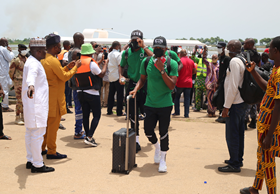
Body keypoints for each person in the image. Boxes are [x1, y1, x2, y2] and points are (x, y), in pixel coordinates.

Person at [130, 36, 178, 172]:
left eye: (160, 49)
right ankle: (157, 147)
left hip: (165, 103)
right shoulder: (146, 62)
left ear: (165, 49)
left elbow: (171, 86)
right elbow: (142, 79)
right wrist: (135, 89)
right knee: (148, 131)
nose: (157, 50)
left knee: (163, 132)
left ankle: (163, 159)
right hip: (150, 103)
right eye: (155, 48)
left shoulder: (171, 63)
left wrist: (162, 70)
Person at [240, 36, 280, 194]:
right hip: (265, 123)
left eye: (270, 48)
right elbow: (267, 89)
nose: (268, 51)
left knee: (268, 160)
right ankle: (255, 188)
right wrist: (253, 71)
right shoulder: (275, 69)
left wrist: (270, 135)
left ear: (276, 51)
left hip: (270, 125)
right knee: (262, 156)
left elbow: (278, 104)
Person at [41, 34, 81, 159]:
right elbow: (63, 77)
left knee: (46, 127)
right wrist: (75, 68)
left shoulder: (44, 59)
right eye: (58, 46)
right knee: (53, 127)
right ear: (54, 47)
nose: (60, 48)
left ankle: (42, 148)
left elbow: (57, 74)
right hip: (54, 100)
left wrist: (67, 67)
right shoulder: (52, 60)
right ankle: (52, 151)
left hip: (47, 98)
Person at [22, 38, 54, 173]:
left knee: (30, 132)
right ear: (39, 51)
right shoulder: (34, 64)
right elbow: (31, 77)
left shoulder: (30, 61)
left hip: (31, 105)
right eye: (44, 51)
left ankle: (30, 160)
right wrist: (31, 85)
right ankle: (38, 164)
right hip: (37, 105)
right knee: (37, 134)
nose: (46, 53)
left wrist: (31, 86)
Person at [119, 30, 153, 153]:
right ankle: (136, 141)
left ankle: (150, 134)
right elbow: (121, 65)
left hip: (145, 86)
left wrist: (143, 46)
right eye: (133, 40)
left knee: (148, 114)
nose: (135, 43)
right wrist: (120, 76)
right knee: (133, 115)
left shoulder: (145, 51)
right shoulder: (127, 53)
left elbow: (155, 58)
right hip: (132, 85)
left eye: (137, 40)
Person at [218, 40, 248, 173]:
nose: (227, 50)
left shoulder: (234, 62)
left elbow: (233, 86)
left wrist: (226, 107)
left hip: (235, 104)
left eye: (229, 47)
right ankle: (237, 159)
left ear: (233, 48)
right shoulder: (241, 59)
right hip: (241, 103)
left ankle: (234, 163)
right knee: (239, 133)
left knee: (232, 134)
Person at [76, 43, 108, 147]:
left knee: (86, 115)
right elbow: (101, 74)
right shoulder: (91, 63)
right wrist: (105, 64)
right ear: (90, 53)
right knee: (97, 115)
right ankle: (89, 137)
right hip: (92, 93)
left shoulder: (78, 62)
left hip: (80, 92)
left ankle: (87, 136)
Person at [68, 32, 85, 140]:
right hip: (78, 83)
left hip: (73, 82)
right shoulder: (77, 52)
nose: (83, 42)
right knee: (79, 108)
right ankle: (77, 131)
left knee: (78, 107)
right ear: (78, 39)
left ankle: (78, 129)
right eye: (82, 39)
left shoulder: (70, 51)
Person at [173, 49, 196, 118]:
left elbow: (177, 71)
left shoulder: (179, 61)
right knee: (187, 98)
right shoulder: (191, 61)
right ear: (186, 54)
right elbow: (194, 71)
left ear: (180, 54)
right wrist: (189, 75)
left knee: (176, 97)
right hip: (188, 82)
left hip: (180, 82)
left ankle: (177, 112)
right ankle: (186, 114)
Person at [9, 44, 28, 125]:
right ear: (19, 50)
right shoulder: (16, 60)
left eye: (25, 49)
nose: (24, 50)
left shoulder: (27, 59)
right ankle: (17, 117)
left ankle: (24, 116)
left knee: (25, 100)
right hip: (18, 82)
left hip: (26, 82)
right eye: (22, 49)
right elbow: (11, 73)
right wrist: (15, 81)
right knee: (19, 100)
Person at [107, 41, 124, 116]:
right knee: (120, 95)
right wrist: (121, 76)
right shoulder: (118, 54)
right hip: (117, 76)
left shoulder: (109, 54)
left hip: (111, 76)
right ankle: (119, 112)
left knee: (111, 94)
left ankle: (109, 110)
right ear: (117, 46)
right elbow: (120, 65)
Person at [215, 42, 231, 123]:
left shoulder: (227, 58)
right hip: (221, 80)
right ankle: (221, 114)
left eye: (219, 47)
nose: (218, 48)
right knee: (220, 98)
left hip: (225, 81)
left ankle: (223, 115)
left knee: (223, 98)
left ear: (224, 48)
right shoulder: (220, 57)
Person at [0, 38, 15, 112]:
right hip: (3, 73)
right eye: (6, 42)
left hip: (2, 73)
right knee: (5, 89)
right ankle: (5, 106)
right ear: (4, 43)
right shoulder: (3, 49)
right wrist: (11, 52)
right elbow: (10, 59)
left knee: (8, 85)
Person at [58, 41, 73, 112]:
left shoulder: (60, 52)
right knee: (66, 92)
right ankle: (65, 107)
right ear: (67, 46)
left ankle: (65, 106)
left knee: (64, 92)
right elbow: (64, 63)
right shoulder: (66, 53)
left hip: (60, 73)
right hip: (65, 73)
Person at [191, 45, 207, 112]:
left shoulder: (209, 61)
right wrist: (195, 49)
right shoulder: (199, 60)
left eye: (205, 54)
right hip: (199, 80)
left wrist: (205, 49)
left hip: (206, 80)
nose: (204, 55)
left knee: (208, 95)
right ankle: (197, 107)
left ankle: (210, 108)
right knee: (197, 95)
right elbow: (192, 58)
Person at [203, 52, 219, 117]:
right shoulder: (209, 64)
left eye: (215, 58)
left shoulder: (219, 66)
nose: (214, 59)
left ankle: (214, 112)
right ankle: (210, 112)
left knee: (215, 98)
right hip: (209, 84)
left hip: (217, 85)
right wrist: (204, 51)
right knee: (209, 98)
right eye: (212, 58)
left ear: (217, 58)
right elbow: (204, 60)